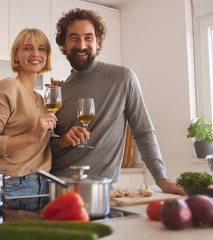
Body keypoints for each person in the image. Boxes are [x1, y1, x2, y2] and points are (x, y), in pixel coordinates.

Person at [49, 8, 185, 195]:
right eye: (74, 38)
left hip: (103, 192)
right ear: (63, 44)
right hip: (56, 189)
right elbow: (44, 150)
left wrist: (161, 180)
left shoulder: (122, 78)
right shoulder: (57, 94)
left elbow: (143, 132)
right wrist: (63, 140)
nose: (82, 45)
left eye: (88, 37)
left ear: (98, 42)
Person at [0, 28, 57, 211]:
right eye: (28, 48)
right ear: (16, 55)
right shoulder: (8, 87)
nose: (36, 53)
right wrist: (33, 136)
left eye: (42, 49)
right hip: (15, 187)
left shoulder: (42, 99)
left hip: (43, 186)